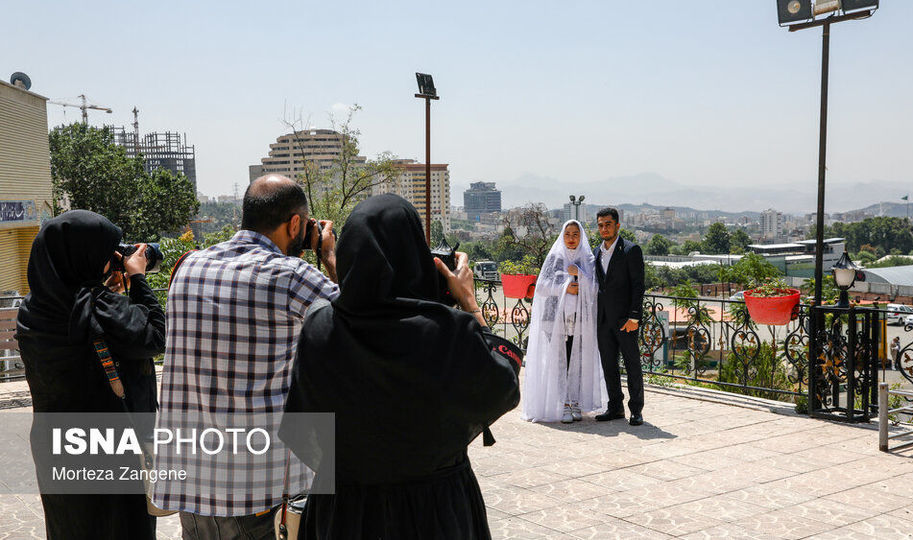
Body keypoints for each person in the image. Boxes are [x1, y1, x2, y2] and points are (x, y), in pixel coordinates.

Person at [280, 194, 520, 540]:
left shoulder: (320, 327)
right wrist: (469, 303)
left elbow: (302, 431)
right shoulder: (448, 332)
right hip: (436, 513)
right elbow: (504, 385)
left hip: (345, 512)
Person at [153, 175, 339, 539]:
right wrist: (330, 256)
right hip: (258, 491)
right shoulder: (291, 275)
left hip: (191, 486)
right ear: (296, 224)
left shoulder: (188, 267)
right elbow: (362, 323)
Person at [16, 209, 165, 540]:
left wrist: (105, 291)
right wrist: (137, 278)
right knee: (122, 528)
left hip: (55, 445)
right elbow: (154, 335)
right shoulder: (101, 307)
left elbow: (84, 321)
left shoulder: (32, 311)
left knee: (72, 526)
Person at [522, 220, 606, 423]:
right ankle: (562, 403)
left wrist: (581, 277)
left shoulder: (588, 259)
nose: (571, 238)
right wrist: (566, 287)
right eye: (567, 234)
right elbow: (541, 287)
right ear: (562, 235)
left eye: (575, 234)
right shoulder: (555, 257)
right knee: (560, 362)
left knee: (578, 361)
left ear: (581, 236)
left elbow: (595, 288)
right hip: (555, 321)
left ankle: (575, 401)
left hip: (580, 321)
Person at [593, 208, 646, 426]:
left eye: (608, 224)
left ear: (617, 226)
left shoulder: (631, 250)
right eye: (600, 225)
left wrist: (634, 316)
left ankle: (636, 410)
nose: (604, 228)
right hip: (603, 320)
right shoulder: (595, 252)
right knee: (608, 365)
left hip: (626, 320)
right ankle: (615, 407)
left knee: (632, 364)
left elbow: (638, 285)